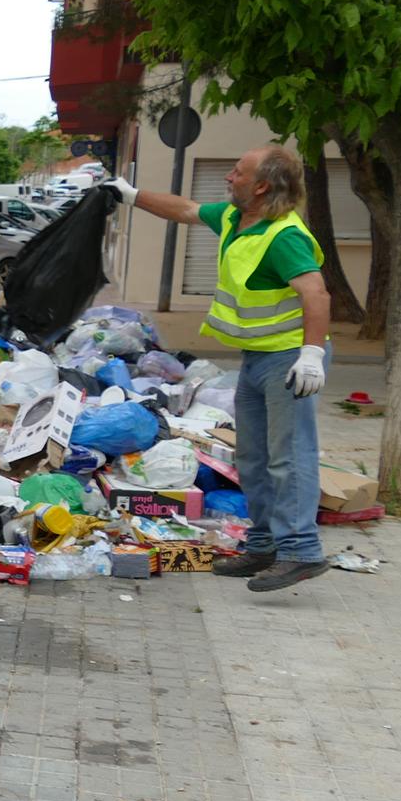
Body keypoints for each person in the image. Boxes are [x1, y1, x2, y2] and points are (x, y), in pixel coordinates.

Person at [105, 145, 330, 591]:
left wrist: (312, 355)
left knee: (289, 455)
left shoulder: (283, 236)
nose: (228, 177)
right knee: (252, 456)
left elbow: (317, 294)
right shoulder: (234, 218)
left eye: (237, 172)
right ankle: (264, 544)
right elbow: (184, 209)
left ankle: (301, 550)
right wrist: (130, 195)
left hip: (289, 360)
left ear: (262, 186)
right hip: (258, 357)